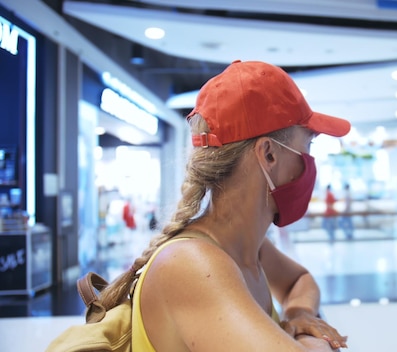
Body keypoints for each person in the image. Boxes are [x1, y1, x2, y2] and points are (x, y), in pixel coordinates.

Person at [98, 60, 350, 351]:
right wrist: (309, 339)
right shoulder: (191, 265)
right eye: (308, 145)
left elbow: (299, 281)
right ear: (268, 154)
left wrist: (299, 314)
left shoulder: (247, 246)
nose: (309, 162)